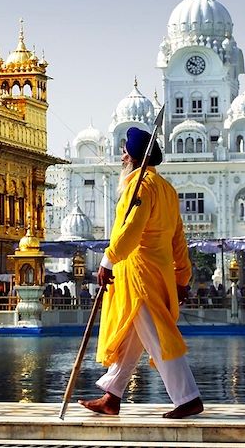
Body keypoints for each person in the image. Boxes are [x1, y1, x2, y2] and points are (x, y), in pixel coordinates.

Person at [79, 127, 203, 420]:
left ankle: (188, 397)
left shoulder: (141, 187)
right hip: (155, 272)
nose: (122, 156)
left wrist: (108, 260)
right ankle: (112, 396)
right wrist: (182, 276)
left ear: (135, 156)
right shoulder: (167, 189)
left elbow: (130, 230)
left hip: (139, 273)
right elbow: (178, 238)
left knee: (158, 337)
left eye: (125, 151)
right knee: (132, 337)